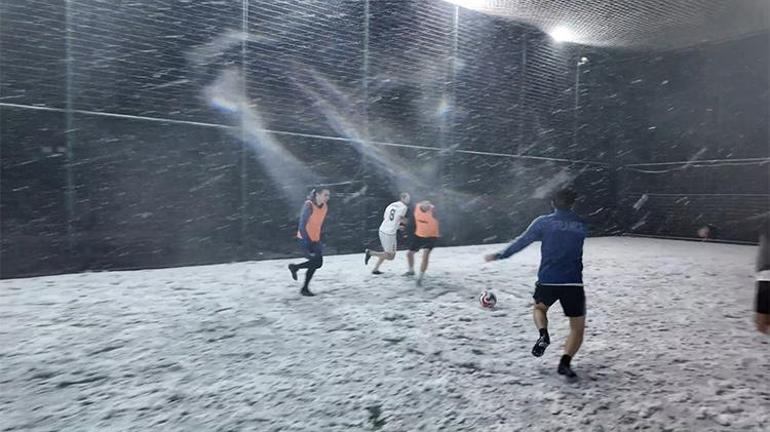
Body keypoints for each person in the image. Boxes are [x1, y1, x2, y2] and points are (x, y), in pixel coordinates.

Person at [484, 187, 587, 379]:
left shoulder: (543, 222)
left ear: (552, 203)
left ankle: (543, 334)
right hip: (573, 282)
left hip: (548, 279)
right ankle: (565, 363)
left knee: (540, 309)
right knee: (577, 328)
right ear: (573, 203)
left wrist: (501, 255)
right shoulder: (581, 224)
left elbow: (522, 241)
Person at [288, 188, 330, 297]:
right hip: (305, 239)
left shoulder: (325, 207)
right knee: (315, 262)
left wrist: (319, 239)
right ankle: (304, 288)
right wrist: (307, 242)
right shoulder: (309, 205)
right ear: (317, 195)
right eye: (325, 195)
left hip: (315, 239)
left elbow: (318, 224)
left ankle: (295, 268)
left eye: (328, 195)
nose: (327, 198)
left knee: (317, 263)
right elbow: (302, 225)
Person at [365, 193, 410, 274]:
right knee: (391, 256)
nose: (409, 200)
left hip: (382, 229)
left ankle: (375, 269)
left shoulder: (391, 205)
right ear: (403, 198)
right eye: (407, 198)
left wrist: (397, 227)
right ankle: (370, 253)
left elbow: (387, 218)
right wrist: (409, 223)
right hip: (390, 233)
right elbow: (400, 219)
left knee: (386, 252)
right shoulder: (404, 207)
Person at [406, 200, 439, 286]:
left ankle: (420, 277)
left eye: (429, 206)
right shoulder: (415, 208)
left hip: (431, 236)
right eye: (426, 206)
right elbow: (410, 220)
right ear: (422, 205)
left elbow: (442, 219)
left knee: (425, 254)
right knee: (409, 254)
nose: (428, 208)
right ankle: (411, 270)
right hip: (419, 235)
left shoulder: (434, 211)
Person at [755, 215, 770, 334]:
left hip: (764, 266)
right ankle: (762, 328)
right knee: (764, 298)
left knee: (764, 298)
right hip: (766, 266)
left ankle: (762, 326)